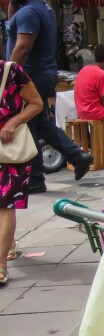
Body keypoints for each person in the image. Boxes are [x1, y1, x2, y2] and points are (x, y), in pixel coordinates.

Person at [2, 0, 93, 191]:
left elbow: (22, 47)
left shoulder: (28, 13)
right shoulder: (42, 8)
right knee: (40, 122)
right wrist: (13, 1)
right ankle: (77, 155)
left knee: (26, 125)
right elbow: (13, 24)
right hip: (42, 74)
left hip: (30, 76)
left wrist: (9, 77)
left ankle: (34, 181)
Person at [0, 58, 42, 285]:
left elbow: (36, 103)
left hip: (9, 149)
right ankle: (8, 243)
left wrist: (12, 123)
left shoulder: (11, 71)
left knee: (5, 203)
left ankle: (1, 265)